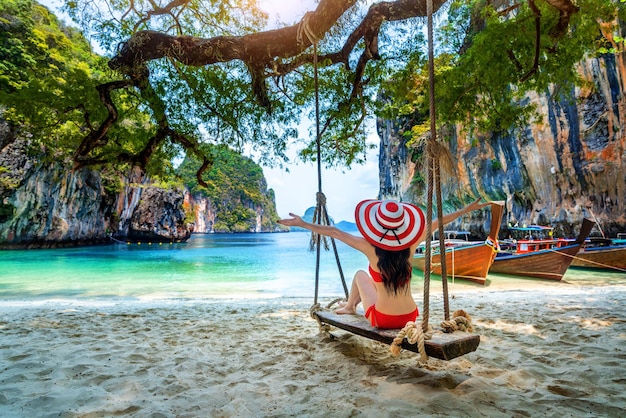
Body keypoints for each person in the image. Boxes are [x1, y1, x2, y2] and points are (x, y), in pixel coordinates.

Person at [277, 198, 487, 329]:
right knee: (377, 285)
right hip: (411, 316)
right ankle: (349, 305)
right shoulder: (411, 246)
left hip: (384, 320)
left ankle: (350, 306)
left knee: (361, 275)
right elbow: (437, 223)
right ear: (403, 227)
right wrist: (464, 210)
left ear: (376, 226)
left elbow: (334, 232)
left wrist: (303, 224)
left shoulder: (370, 248)